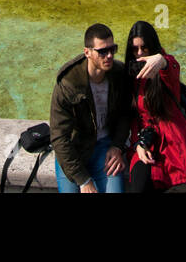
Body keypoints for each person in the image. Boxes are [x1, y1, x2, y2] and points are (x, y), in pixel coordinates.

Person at [50, 23, 158, 193]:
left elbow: (125, 114)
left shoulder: (119, 73)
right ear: (87, 52)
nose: (109, 56)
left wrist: (117, 146)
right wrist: (84, 181)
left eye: (112, 49)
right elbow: (59, 138)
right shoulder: (68, 83)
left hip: (105, 149)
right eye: (102, 51)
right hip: (75, 151)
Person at [124, 20, 186, 193]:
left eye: (145, 48)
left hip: (170, 144)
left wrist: (162, 60)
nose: (139, 53)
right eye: (135, 49)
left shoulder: (163, 68)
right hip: (144, 142)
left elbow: (172, 68)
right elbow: (133, 119)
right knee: (139, 185)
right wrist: (137, 145)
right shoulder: (130, 73)